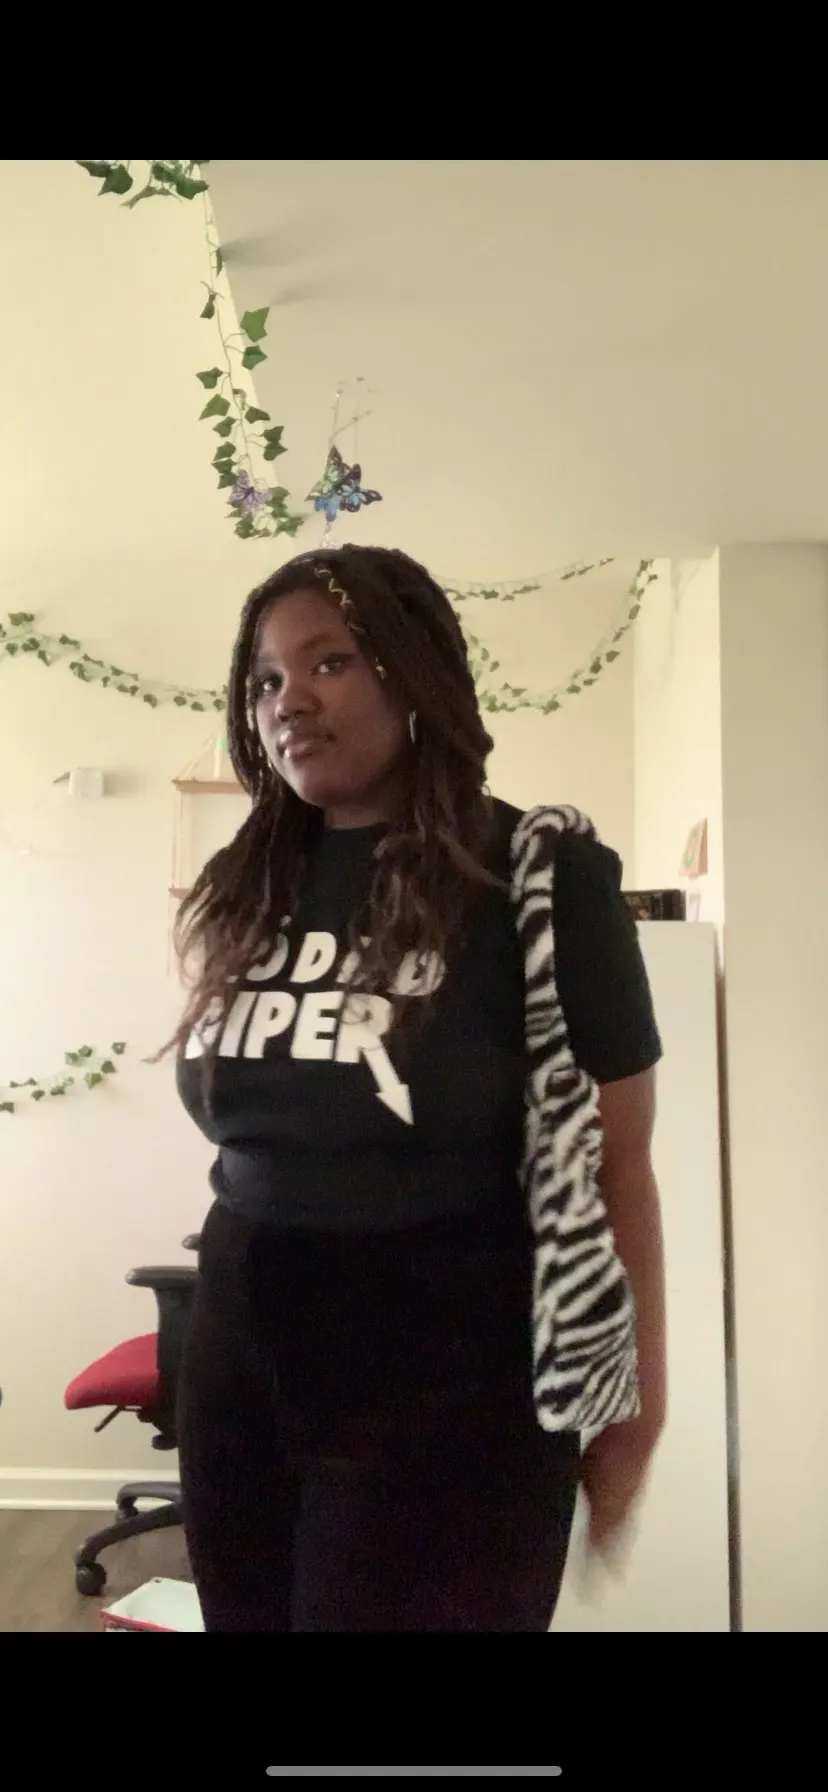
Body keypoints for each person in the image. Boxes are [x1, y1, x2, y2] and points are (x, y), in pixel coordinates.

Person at [171, 543, 666, 1633]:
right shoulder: (248, 883)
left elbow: (621, 1160)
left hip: (448, 1367)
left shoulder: (540, 876)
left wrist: (633, 1409)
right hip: (240, 1354)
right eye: (264, 680)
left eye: (328, 662)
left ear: (412, 670)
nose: (288, 701)